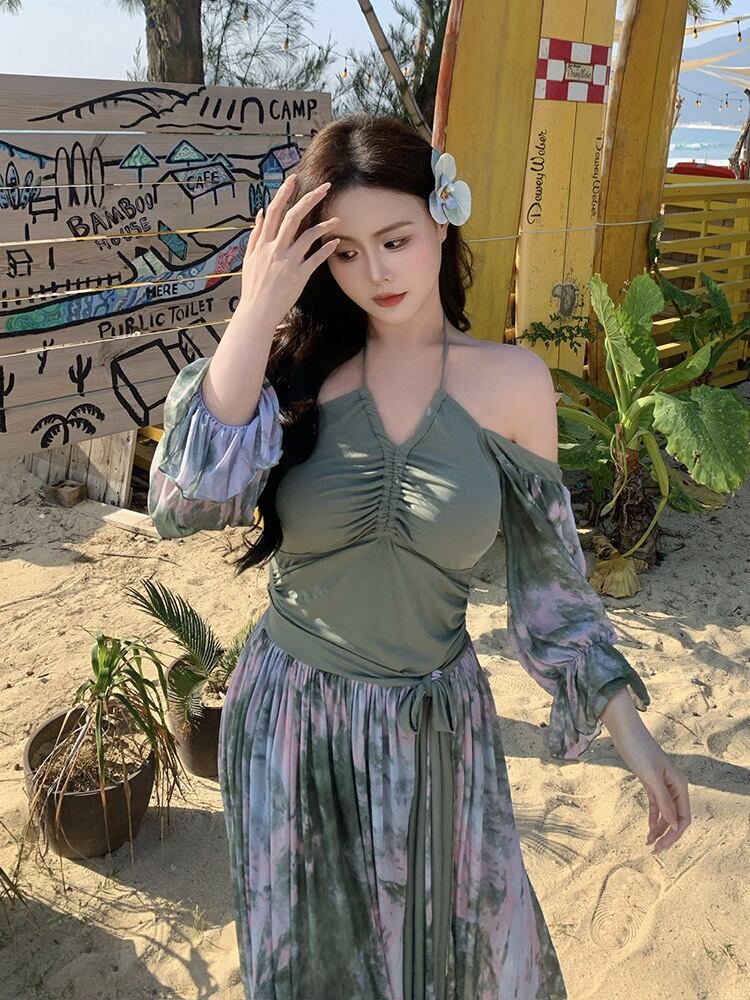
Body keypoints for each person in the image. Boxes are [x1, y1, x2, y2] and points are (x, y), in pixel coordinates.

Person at [148, 113, 691, 1000]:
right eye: (345, 252)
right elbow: (183, 502)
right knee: (312, 972)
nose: (375, 273)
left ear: (443, 218)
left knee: (466, 964)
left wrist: (634, 736)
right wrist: (257, 307)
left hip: (434, 732)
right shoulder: (296, 374)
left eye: (395, 240)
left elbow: (554, 592)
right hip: (288, 722)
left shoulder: (513, 384)